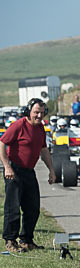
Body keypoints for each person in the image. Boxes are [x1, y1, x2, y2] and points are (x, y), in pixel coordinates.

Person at [0, 98, 57, 253]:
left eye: (42, 112)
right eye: (36, 112)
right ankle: (10, 241)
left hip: (29, 172)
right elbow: (2, 143)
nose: (39, 116)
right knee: (13, 208)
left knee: (33, 207)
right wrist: (6, 167)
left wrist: (51, 170)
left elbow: (44, 150)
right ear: (29, 111)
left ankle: (26, 240)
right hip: (14, 170)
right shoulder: (18, 126)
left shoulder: (40, 128)